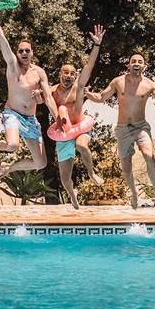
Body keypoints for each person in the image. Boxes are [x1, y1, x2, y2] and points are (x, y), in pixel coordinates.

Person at [0, 0, 58, 184]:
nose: (23, 53)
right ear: (17, 52)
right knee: (12, 145)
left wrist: (57, 118)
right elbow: (2, 39)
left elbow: (49, 99)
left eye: (27, 50)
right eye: (20, 50)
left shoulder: (39, 73)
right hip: (12, 113)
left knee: (41, 162)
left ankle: (9, 168)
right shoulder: (12, 66)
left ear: (32, 52)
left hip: (30, 120)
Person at [85, 54, 155, 208]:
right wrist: (90, 95)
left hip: (140, 126)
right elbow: (102, 97)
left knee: (149, 155)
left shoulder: (150, 84)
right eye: (133, 61)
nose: (136, 64)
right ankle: (134, 194)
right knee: (126, 168)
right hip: (123, 128)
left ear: (144, 66)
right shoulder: (118, 82)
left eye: (140, 62)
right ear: (129, 65)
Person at [49, 25, 106, 209]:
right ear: (60, 74)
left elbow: (89, 66)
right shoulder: (52, 91)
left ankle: (91, 173)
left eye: (72, 73)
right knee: (65, 177)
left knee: (82, 145)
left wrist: (96, 46)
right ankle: (72, 195)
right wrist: (36, 95)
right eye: (66, 72)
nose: (69, 76)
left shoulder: (79, 87)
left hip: (80, 126)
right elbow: (39, 95)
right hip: (64, 134)